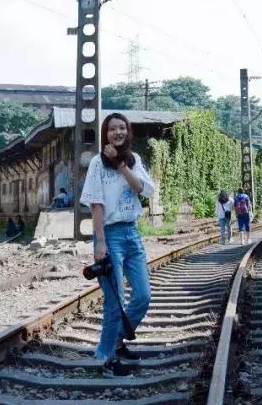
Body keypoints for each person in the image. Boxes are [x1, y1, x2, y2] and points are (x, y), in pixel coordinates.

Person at [80, 112, 156, 377]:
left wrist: (121, 164)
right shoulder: (97, 165)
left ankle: (117, 340)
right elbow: (96, 204)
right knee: (115, 301)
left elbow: (145, 190)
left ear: (128, 131)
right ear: (105, 133)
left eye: (122, 128)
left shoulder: (133, 161)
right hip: (109, 235)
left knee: (143, 296)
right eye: (112, 129)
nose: (118, 132)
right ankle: (107, 357)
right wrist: (100, 241)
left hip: (132, 233)